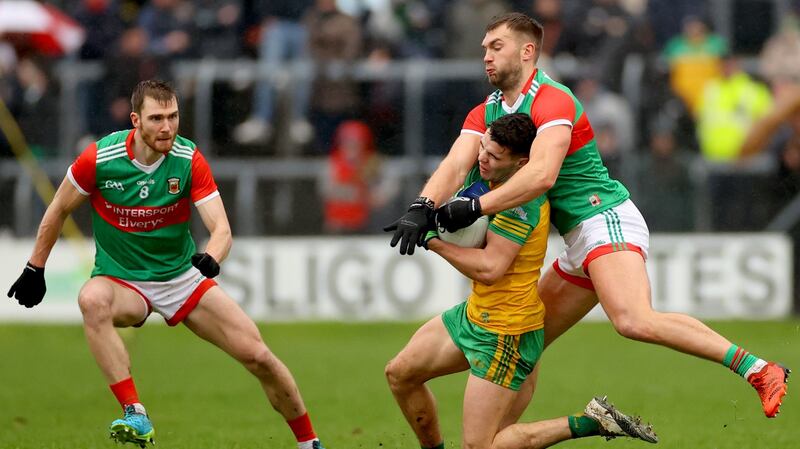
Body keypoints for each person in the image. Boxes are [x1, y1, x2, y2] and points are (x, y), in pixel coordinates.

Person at [386, 12, 789, 420]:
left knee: (632, 320)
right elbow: (456, 164)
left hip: (604, 218)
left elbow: (542, 176)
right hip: (578, 238)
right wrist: (422, 207)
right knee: (525, 337)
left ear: (527, 51)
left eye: (496, 46)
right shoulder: (487, 111)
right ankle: (501, 439)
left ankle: (758, 369)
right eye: (485, 48)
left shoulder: (552, 100)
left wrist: (474, 207)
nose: (486, 56)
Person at [6, 80, 325, 449]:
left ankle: (309, 444)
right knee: (91, 299)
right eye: (157, 118)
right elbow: (58, 208)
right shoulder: (100, 158)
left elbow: (221, 229)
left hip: (181, 278)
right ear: (135, 120)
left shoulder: (188, 159)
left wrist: (212, 256)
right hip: (123, 281)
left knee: (259, 357)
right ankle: (135, 413)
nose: (167, 127)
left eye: (173, 116)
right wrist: (35, 267)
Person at [385, 113, 658, 449]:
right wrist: (421, 210)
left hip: (506, 333)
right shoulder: (485, 170)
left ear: (521, 163)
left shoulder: (523, 204)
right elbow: (453, 170)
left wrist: (432, 241)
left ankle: (589, 422)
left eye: (494, 156)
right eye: (483, 147)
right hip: (475, 314)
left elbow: (490, 269)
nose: (482, 158)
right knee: (400, 375)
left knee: (480, 447)